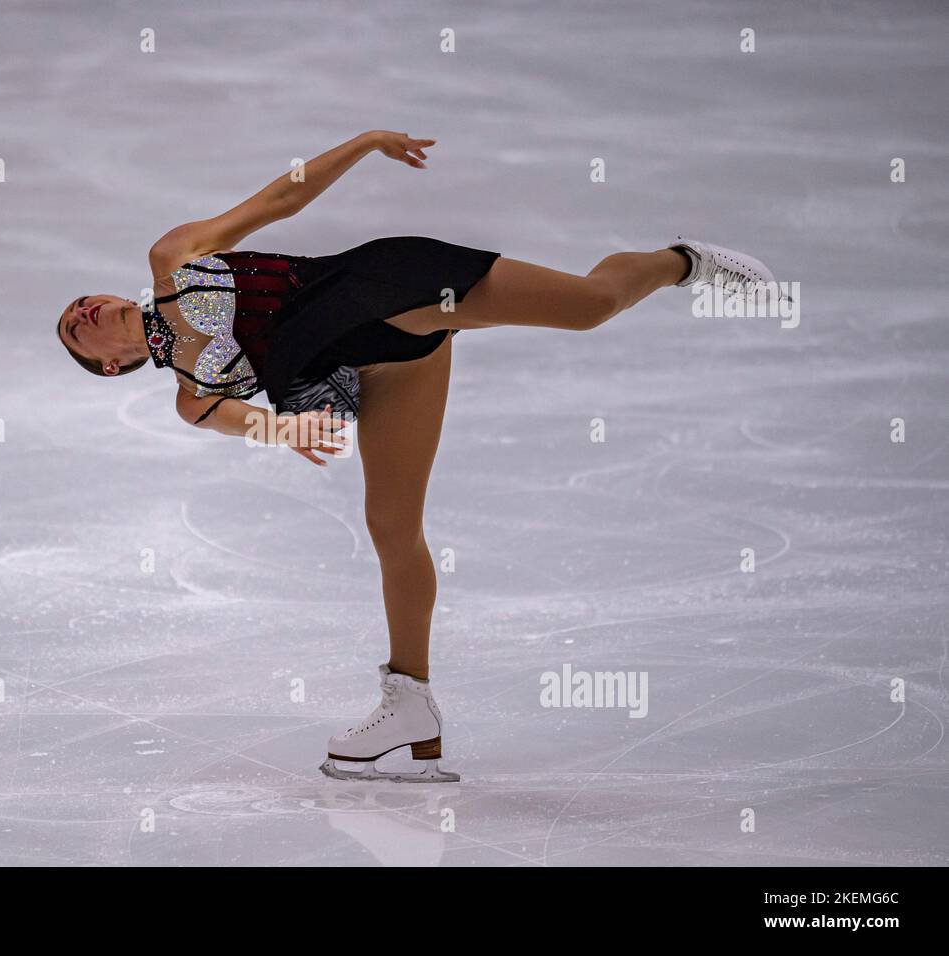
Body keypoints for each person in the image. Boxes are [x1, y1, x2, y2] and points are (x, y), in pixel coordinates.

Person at [56, 130, 780, 781]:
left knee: (590, 305)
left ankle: (680, 262)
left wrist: (365, 143)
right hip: (384, 367)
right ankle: (411, 702)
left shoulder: (172, 259)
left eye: (79, 303)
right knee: (392, 530)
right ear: (110, 368)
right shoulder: (194, 394)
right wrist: (290, 432)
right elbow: (260, 424)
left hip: (387, 288)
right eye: (74, 331)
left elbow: (280, 199)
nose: (83, 312)